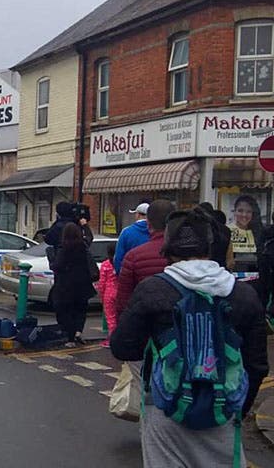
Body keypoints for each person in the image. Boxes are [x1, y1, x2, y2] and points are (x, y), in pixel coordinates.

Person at [110, 208, 268, 467]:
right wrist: (235, 407)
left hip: (166, 411)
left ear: (168, 248)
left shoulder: (152, 289)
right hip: (223, 413)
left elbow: (123, 347)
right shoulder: (244, 295)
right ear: (210, 245)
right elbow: (258, 365)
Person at [116, 200, 175, 321]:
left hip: (143, 321)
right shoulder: (184, 255)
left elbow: (123, 302)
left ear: (149, 223)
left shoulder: (132, 254)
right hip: (177, 325)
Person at [49, 223, 96, 346]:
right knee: (80, 310)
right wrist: (85, 225)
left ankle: (70, 338)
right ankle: (78, 332)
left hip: (66, 286)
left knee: (66, 312)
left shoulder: (63, 249)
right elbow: (90, 237)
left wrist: (51, 261)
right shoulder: (84, 246)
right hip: (83, 284)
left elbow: (57, 266)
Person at [229, 195, 269, 312]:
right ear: (234, 211)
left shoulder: (259, 232)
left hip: (255, 286)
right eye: (240, 211)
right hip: (233, 285)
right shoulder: (227, 230)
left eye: (248, 212)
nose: (244, 215)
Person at [113, 202, 151, 273]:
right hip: (152, 275)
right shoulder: (156, 231)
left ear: (138, 215)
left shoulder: (126, 232)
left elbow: (119, 257)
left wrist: (120, 275)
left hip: (132, 274)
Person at [198, 202, 233, 268]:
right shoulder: (225, 230)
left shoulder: (197, 230)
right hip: (221, 271)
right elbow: (230, 261)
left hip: (202, 271)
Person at [97, 242, 119, 348]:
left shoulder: (105, 264)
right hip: (121, 292)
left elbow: (102, 283)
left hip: (109, 293)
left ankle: (112, 340)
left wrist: (101, 295)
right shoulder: (121, 262)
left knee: (111, 318)